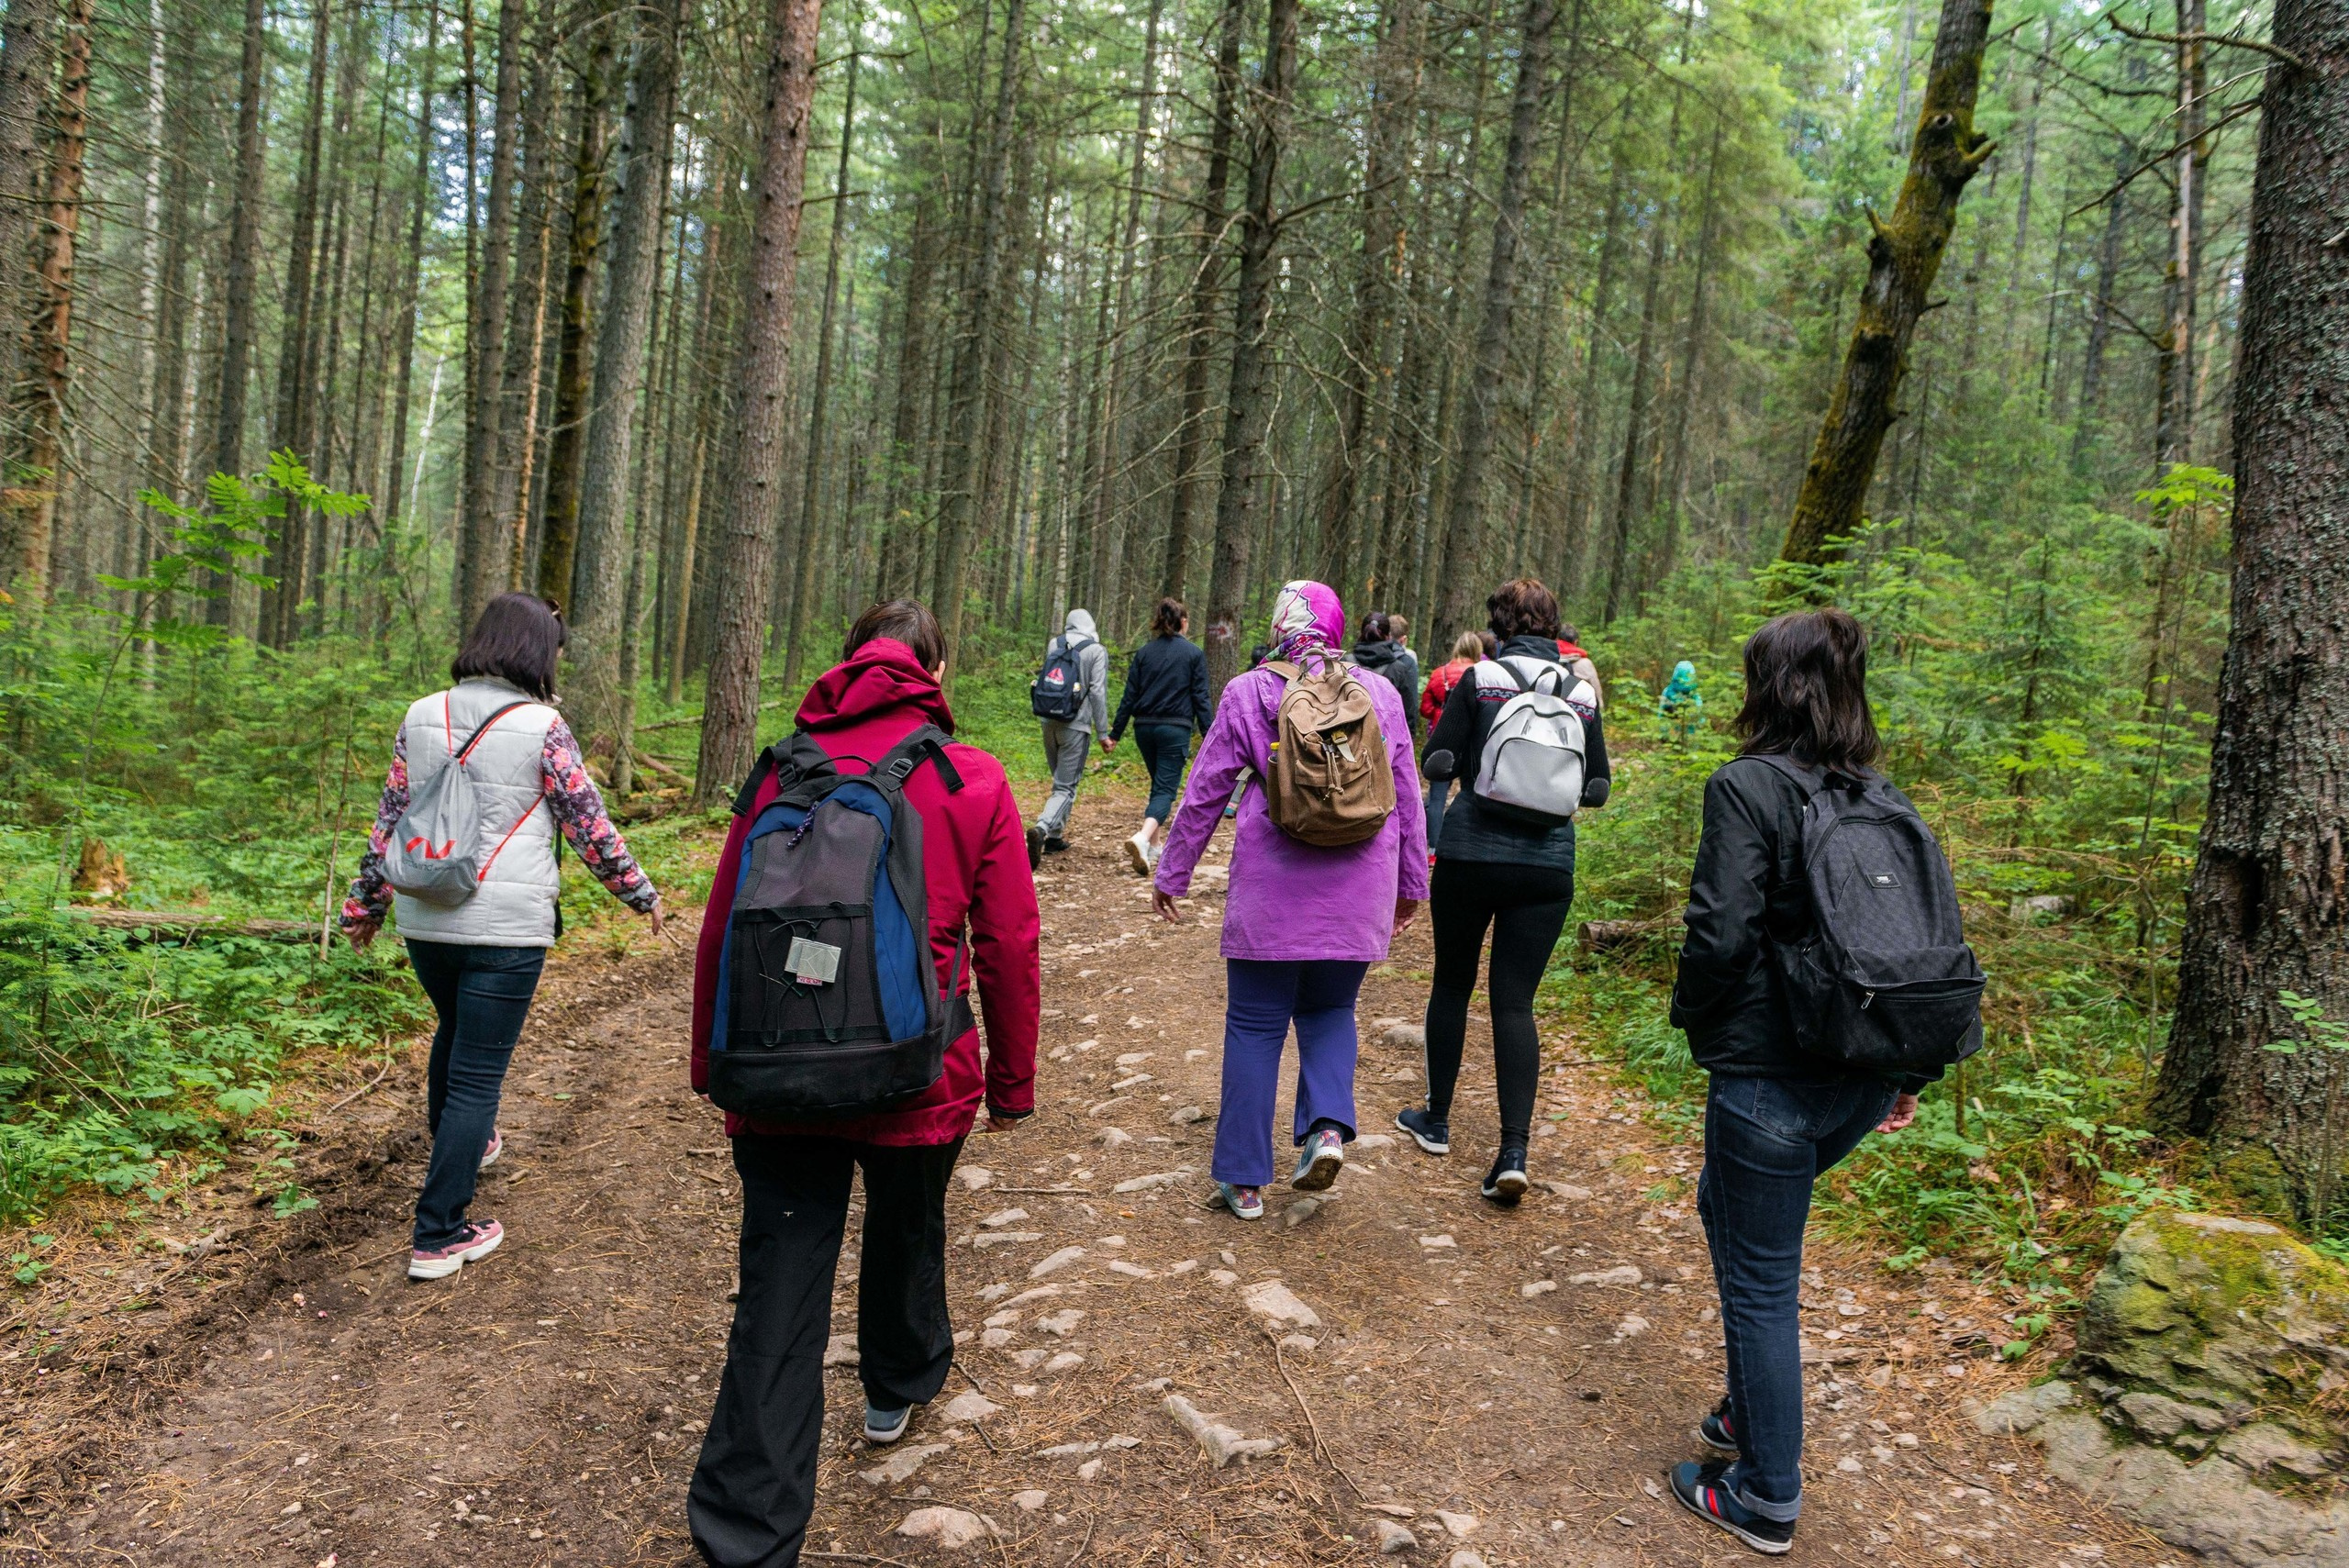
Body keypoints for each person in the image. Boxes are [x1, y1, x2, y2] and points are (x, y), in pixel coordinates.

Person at [686, 600, 1041, 1568]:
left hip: (776, 1073)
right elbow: (1007, 941)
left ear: (846, 665)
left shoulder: (780, 767)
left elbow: (723, 925)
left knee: (779, 1284)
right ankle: (897, 1384)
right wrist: (1012, 1081)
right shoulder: (970, 776)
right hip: (920, 1070)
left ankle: (746, 1535)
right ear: (937, 666)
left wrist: (710, 1065)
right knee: (907, 1221)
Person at [1662, 607, 1925, 1557]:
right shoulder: (1884, 798)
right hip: (1860, 1075)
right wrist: (1910, 1072)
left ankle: (1765, 1491)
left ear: (1767, 685)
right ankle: (1744, 1409)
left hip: (1769, 1078)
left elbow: (1718, 931)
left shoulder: (1746, 787)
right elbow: (1923, 943)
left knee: (1761, 1276)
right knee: (1725, 1212)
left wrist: (1692, 1020)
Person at [341, 593, 664, 1283]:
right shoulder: (543, 724)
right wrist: (639, 892)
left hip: (427, 919)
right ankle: (438, 1233)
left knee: (456, 1034)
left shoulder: (421, 713)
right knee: (478, 1076)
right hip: (506, 929)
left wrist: (363, 904)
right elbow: (587, 824)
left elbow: (390, 817)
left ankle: (458, 1146)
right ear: (536, 652)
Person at [1152, 581, 1427, 1221]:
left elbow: (1204, 790)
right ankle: (1327, 1131)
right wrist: (1412, 886)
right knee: (1332, 1008)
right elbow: (1407, 796)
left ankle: (1244, 1181)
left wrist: (1174, 871)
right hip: (1360, 888)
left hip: (1271, 893)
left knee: (1254, 1023)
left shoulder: (1250, 691)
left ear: (1277, 626)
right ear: (1335, 628)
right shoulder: (1379, 694)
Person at [1398, 580, 1609, 1204]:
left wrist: (1468, 765)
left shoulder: (1481, 679)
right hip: (1548, 863)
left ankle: (1436, 1120)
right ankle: (1512, 1150)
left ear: (1499, 625)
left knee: (1453, 983)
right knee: (1515, 1003)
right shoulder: (1580, 691)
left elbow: (1436, 761)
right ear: (1555, 626)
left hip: (1471, 851)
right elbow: (1596, 788)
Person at [1103, 597, 1212, 875]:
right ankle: (1141, 837)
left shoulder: (1144, 653)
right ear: (1183, 622)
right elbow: (1200, 697)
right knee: (1165, 789)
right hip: (1174, 729)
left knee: (1158, 785)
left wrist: (1115, 733)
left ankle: (1154, 846)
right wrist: (1211, 734)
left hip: (1144, 729)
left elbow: (1130, 696)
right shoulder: (1193, 654)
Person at [1027, 607, 1109, 869]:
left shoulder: (1056, 643)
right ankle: (1041, 828)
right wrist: (1103, 732)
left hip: (1048, 721)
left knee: (1059, 783)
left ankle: (1055, 836)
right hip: (1076, 725)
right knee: (1065, 786)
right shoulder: (1096, 650)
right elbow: (1097, 692)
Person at [1417, 630, 1490, 856]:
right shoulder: (1482, 674)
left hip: (1444, 738)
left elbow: (1425, 709)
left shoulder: (1441, 674)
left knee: (1437, 796)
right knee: (1474, 790)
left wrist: (1441, 712)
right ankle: (1473, 846)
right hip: (1473, 741)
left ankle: (1432, 848)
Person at [1351, 610, 1419, 722]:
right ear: (1388, 637)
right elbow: (1409, 713)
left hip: (1347, 736)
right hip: (1385, 737)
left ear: (1362, 633)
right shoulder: (1399, 670)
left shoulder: (1346, 663)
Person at [1557, 623, 1605, 708]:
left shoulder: (1547, 659)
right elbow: (1596, 691)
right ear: (1575, 642)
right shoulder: (1585, 663)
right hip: (1577, 711)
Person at [1658, 659, 1705, 744]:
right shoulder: (1694, 694)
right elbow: (1700, 716)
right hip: (1690, 738)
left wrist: (1663, 734)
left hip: (1671, 737)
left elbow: (1661, 715)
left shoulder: (1667, 691)